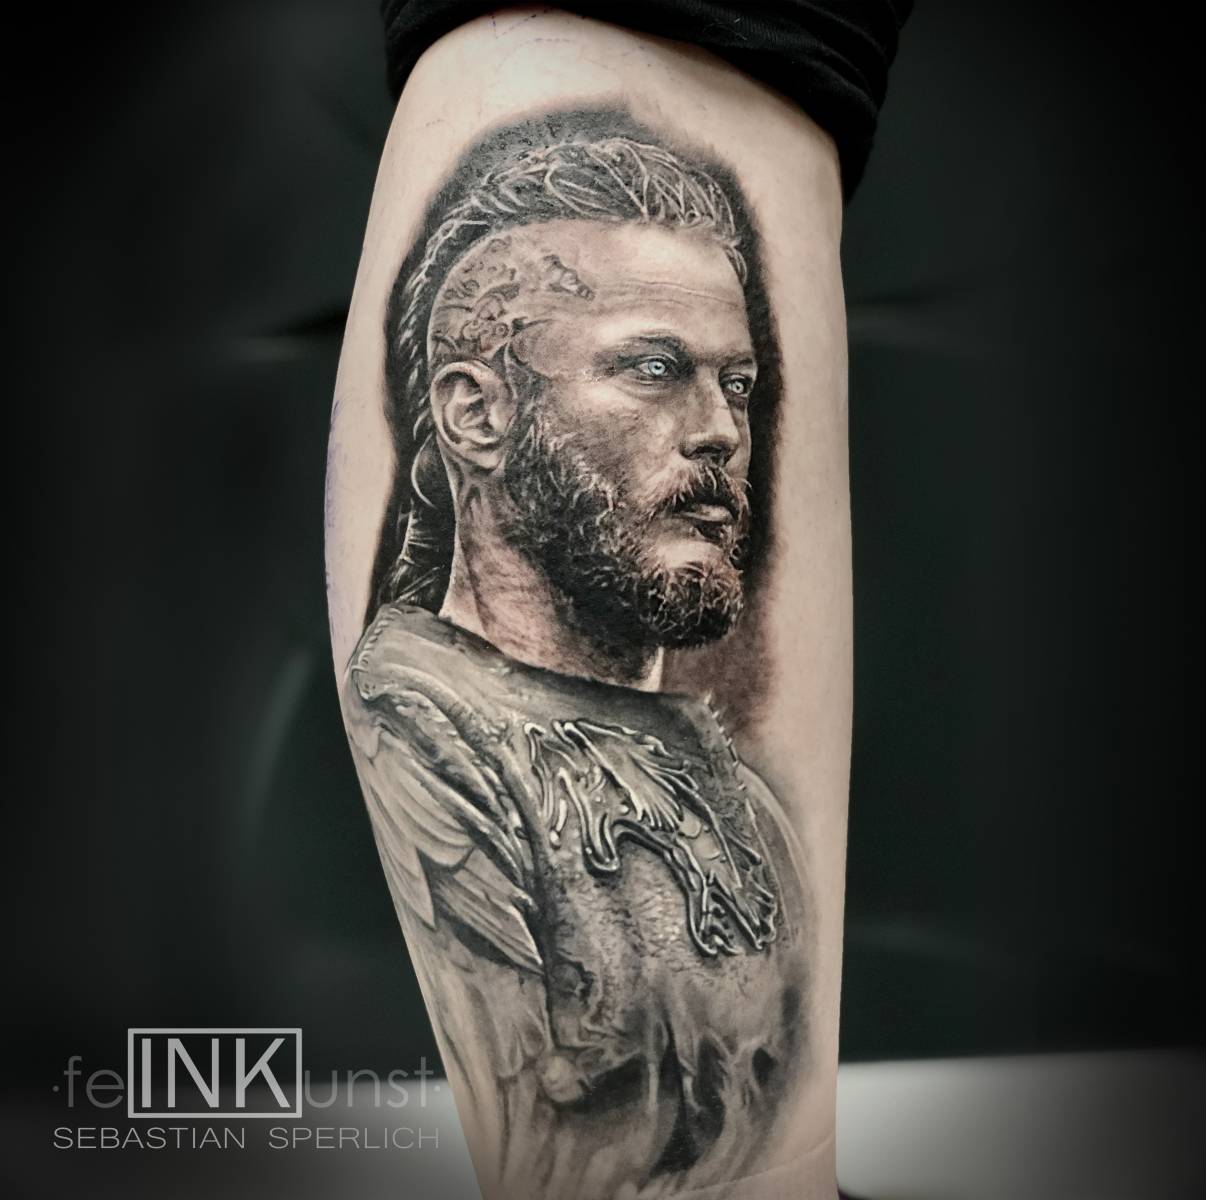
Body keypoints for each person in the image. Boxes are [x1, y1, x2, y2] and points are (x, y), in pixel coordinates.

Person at [327, 6, 910, 1198]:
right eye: (653, 368)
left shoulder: (736, 797)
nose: (721, 432)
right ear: (476, 413)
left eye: (738, 384)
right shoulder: (432, 740)